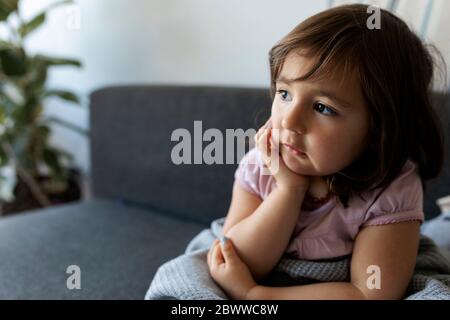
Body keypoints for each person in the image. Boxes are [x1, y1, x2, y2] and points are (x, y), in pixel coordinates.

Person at [206, 4, 446, 300]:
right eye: (284, 93)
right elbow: (236, 261)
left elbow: (371, 294)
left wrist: (257, 295)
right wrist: (289, 191)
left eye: (322, 108)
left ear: (379, 130)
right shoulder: (262, 163)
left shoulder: (391, 188)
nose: (289, 121)